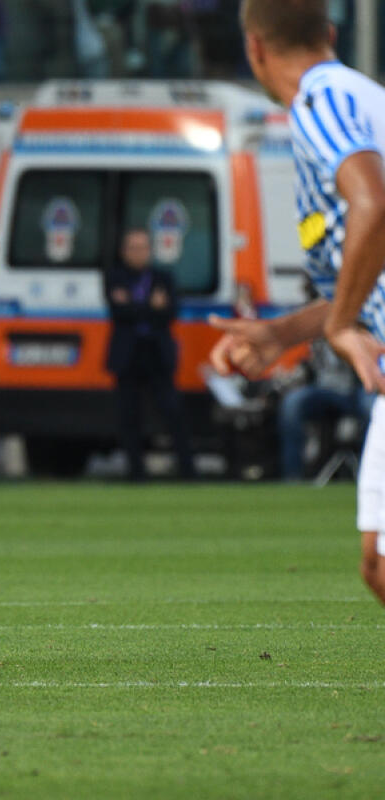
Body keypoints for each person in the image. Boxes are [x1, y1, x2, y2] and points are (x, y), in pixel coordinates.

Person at [209, 0, 385, 606]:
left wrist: (337, 324)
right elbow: (372, 270)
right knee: (378, 565)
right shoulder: (357, 97)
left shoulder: (319, 101)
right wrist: (284, 334)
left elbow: (373, 202)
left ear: (255, 49)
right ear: (329, 34)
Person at [105, 228, 194, 480]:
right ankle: (136, 471)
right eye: (133, 248)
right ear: (124, 252)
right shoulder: (115, 277)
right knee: (129, 415)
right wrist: (149, 307)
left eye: (143, 247)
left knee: (173, 411)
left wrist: (135, 306)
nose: (138, 253)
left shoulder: (162, 277)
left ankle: (187, 470)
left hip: (157, 353)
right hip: (128, 354)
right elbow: (119, 312)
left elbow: (169, 314)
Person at [277, 338, 371, 481]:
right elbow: (310, 366)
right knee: (292, 403)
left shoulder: (356, 324)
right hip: (322, 388)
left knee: (371, 406)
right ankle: (293, 476)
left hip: (356, 387)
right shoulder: (315, 330)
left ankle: (370, 471)